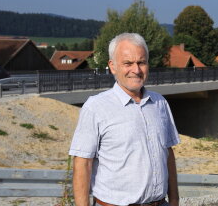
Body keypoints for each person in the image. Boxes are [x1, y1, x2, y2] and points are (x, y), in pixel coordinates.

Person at [69, 33, 180, 206]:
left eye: (141, 62)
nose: (136, 70)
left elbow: (168, 154)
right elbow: (82, 164)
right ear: (112, 67)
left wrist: (174, 201)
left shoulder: (160, 103)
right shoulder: (96, 107)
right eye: (128, 63)